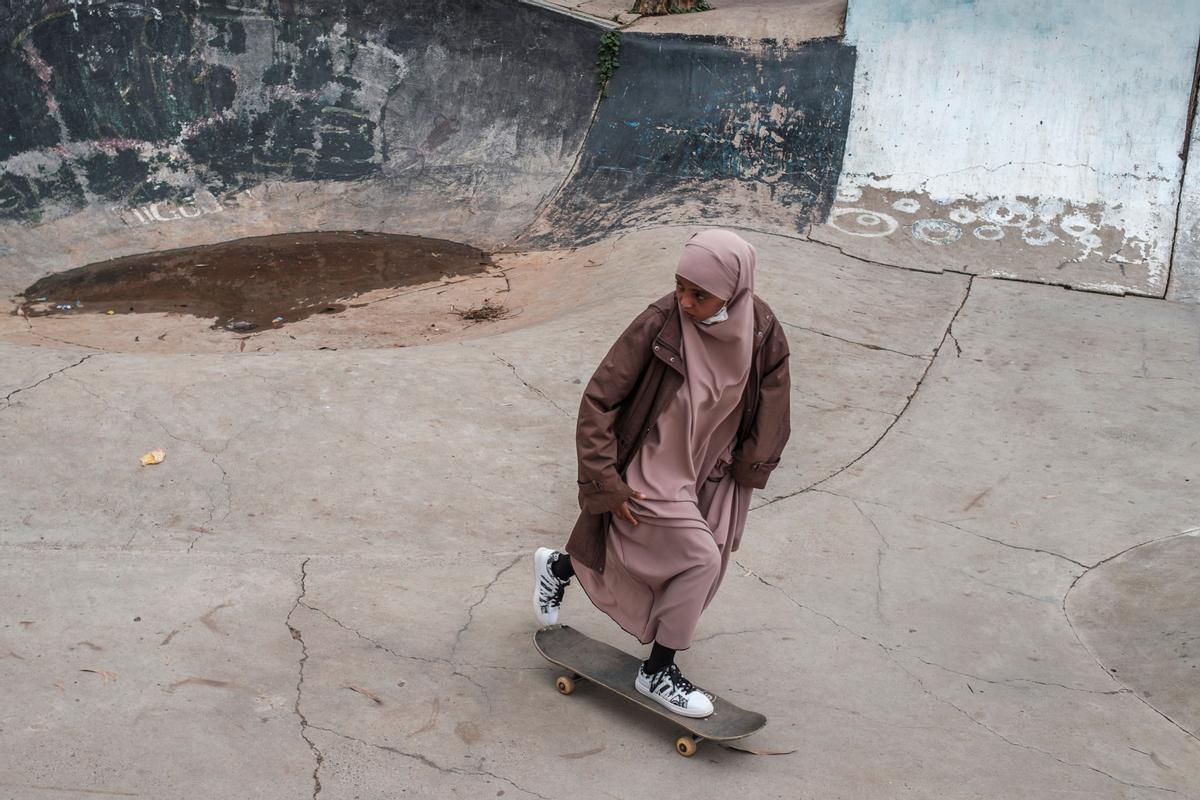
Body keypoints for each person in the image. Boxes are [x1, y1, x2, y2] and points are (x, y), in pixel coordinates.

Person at [533, 229, 791, 718]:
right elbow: (599, 400)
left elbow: (775, 406)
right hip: (650, 466)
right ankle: (658, 671)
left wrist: (750, 467)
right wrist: (604, 482)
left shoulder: (760, 329)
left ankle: (559, 567)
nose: (685, 302)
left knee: (686, 556)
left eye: (700, 294)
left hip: (707, 472)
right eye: (679, 286)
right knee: (698, 561)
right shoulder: (660, 323)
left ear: (734, 291)